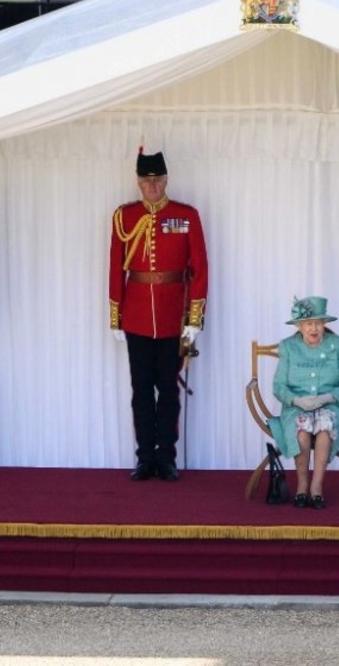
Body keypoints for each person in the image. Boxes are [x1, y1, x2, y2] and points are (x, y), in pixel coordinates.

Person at [109, 149, 208, 482]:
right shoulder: (124, 217)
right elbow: (114, 268)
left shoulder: (186, 216)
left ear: (166, 180)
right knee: (140, 391)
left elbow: (200, 269)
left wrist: (194, 318)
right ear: (138, 183)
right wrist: (116, 316)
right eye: (145, 181)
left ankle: (166, 457)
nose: (151, 186)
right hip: (136, 315)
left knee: (168, 390)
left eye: (157, 180)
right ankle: (144, 458)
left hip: (171, 316)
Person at [271, 296, 339, 509]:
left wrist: (326, 398)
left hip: (331, 405)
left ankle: (316, 487)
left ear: (325, 324)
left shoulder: (338, 345)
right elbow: (279, 387)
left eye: (318, 322)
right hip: (297, 406)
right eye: (309, 323)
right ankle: (302, 485)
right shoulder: (288, 347)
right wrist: (296, 400)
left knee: (324, 429)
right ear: (299, 326)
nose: (314, 328)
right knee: (301, 430)